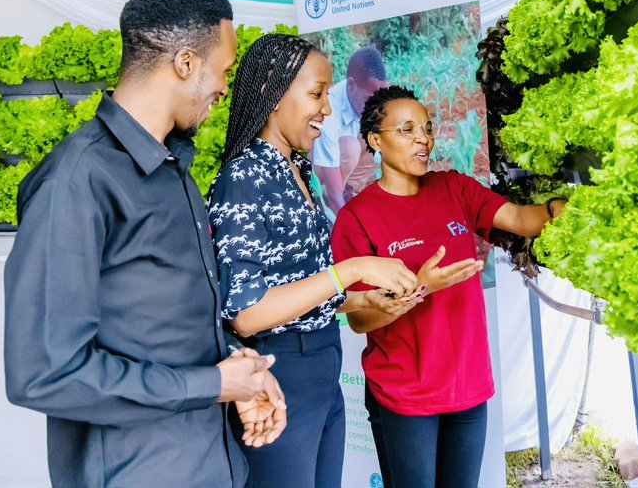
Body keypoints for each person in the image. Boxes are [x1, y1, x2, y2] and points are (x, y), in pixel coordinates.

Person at [4, 0, 286, 488]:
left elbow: (164, 327)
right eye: (223, 70)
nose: (226, 88)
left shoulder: (173, 170)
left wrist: (238, 372)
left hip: (212, 463)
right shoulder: (76, 181)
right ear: (185, 63)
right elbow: (44, 373)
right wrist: (210, 384)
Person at [209, 34, 420, 488]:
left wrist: (364, 302)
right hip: (278, 377)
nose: (327, 108)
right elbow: (247, 313)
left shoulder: (296, 171)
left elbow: (301, 288)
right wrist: (353, 269)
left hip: (323, 366)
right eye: (316, 93)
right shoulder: (244, 177)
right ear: (272, 89)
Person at [332, 85, 567, 488]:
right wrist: (420, 287)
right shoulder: (357, 217)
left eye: (425, 128)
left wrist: (556, 210)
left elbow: (522, 221)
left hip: (469, 388)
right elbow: (360, 321)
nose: (423, 138)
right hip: (405, 397)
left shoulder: (454, 188)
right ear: (375, 140)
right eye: (406, 130)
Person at [313, 46, 387, 215]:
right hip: (317, 171)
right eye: (369, 99)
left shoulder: (371, 102)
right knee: (350, 146)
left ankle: (349, 193)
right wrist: (352, 225)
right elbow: (333, 191)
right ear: (352, 84)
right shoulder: (329, 112)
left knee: (375, 139)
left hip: (343, 165)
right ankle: (329, 203)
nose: (375, 105)